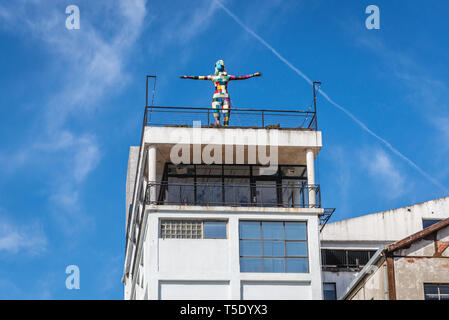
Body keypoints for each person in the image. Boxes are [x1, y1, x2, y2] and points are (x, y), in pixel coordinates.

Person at [180, 60, 262, 126]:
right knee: (217, 116)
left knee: (226, 116)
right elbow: (199, 77)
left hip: (225, 97)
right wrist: (187, 77)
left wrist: (253, 75)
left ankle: (225, 129)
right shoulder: (213, 77)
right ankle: (218, 128)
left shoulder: (227, 77)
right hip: (217, 97)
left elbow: (241, 77)